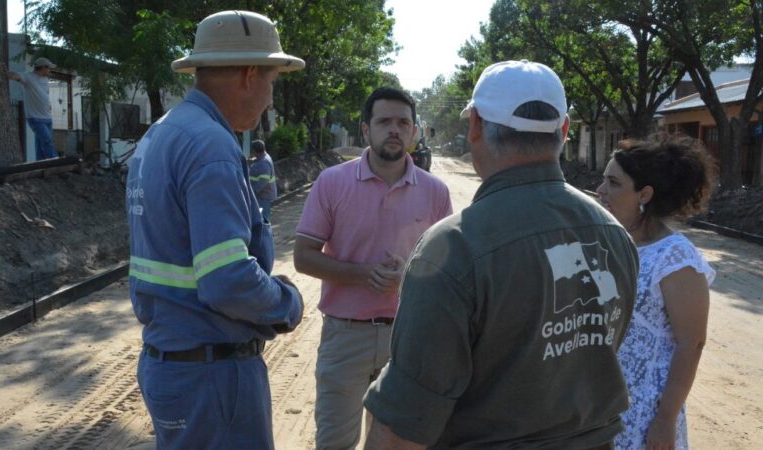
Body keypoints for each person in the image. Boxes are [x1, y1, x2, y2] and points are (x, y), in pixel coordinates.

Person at [363, 60, 639, 449]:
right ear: (563, 130)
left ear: (475, 125)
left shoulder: (454, 249)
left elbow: (401, 429)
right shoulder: (614, 234)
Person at [124, 11, 305, 449]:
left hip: (171, 364)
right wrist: (286, 302)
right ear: (248, 74)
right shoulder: (211, 145)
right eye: (271, 83)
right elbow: (226, 280)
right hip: (212, 377)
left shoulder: (162, 134)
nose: (269, 100)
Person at [293, 87, 453, 450]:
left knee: (396, 444)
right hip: (345, 337)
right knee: (334, 442)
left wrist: (408, 277)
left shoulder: (436, 192)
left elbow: (448, 269)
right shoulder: (332, 183)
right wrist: (364, 274)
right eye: (384, 122)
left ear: (414, 133)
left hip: (408, 338)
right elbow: (303, 256)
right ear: (365, 130)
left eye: (403, 123)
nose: (394, 130)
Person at [596, 135, 716, 450]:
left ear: (644, 194)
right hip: (603, 404)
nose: (600, 191)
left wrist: (665, 420)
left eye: (613, 182)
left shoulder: (675, 257)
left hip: (646, 411)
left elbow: (692, 343)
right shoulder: (615, 241)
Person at [7, 57, 60, 160]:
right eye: (48, 68)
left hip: (47, 117)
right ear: (43, 68)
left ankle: (41, 166)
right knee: (47, 140)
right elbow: (15, 75)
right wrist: (4, 72)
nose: (50, 70)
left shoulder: (45, 79)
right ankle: (55, 163)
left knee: (40, 144)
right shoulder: (28, 77)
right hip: (35, 118)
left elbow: (44, 94)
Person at [249, 139, 277, 222]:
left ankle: (265, 235)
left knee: (263, 221)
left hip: (263, 196)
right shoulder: (264, 157)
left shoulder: (263, 163)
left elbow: (263, 182)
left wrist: (251, 191)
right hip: (263, 195)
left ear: (254, 151)